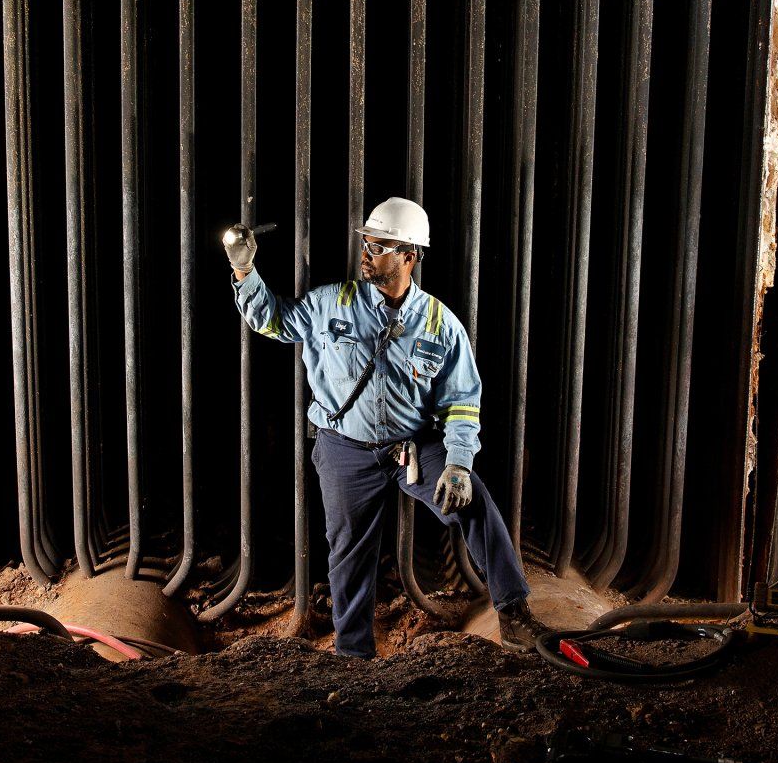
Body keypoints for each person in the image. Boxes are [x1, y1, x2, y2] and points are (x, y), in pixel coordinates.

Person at [224, 196, 541, 658]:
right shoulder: (334, 302)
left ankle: (514, 615)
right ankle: (354, 656)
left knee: (474, 502)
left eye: (379, 247)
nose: (367, 254)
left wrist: (456, 463)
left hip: (413, 446)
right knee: (348, 553)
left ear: (409, 255)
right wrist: (243, 270)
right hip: (345, 447)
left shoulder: (441, 325)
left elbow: (461, 404)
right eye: (366, 245)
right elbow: (271, 320)